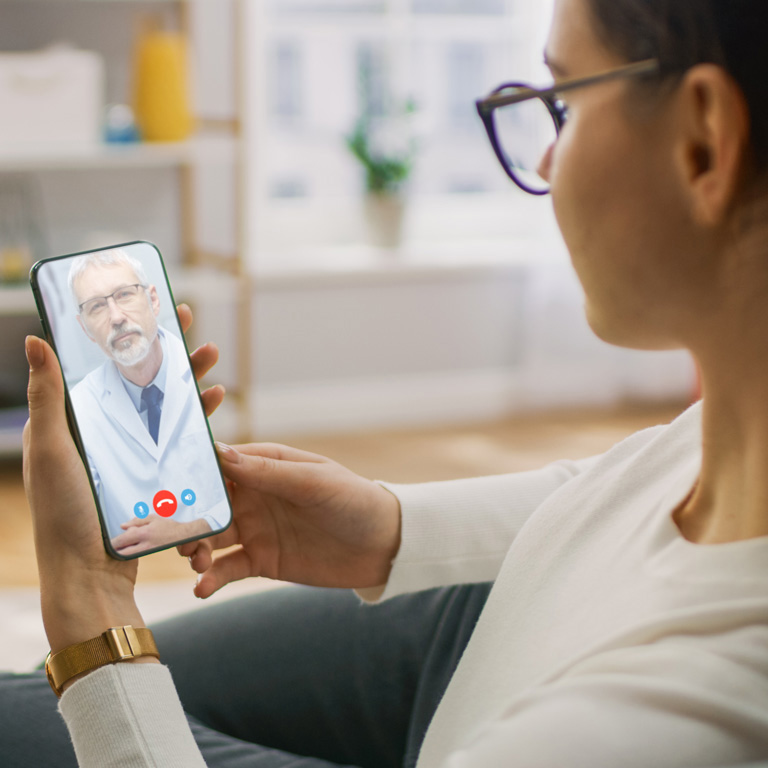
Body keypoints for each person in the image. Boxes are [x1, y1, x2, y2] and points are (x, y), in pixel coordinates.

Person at [5, 0, 768, 765]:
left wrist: (91, 606)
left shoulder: (687, 713)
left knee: (30, 705)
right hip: (498, 624)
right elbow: (622, 479)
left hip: (500, 704)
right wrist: (388, 528)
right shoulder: (728, 440)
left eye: (561, 102)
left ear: (702, 140)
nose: (543, 161)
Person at [66, 248, 230, 556]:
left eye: (125, 295)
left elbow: (232, 495)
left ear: (153, 300)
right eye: (97, 307)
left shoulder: (200, 370)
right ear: (84, 327)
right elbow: (86, 516)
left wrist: (191, 529)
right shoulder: (79, 407)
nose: (116, 317)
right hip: (129, 563)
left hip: (216, 550)